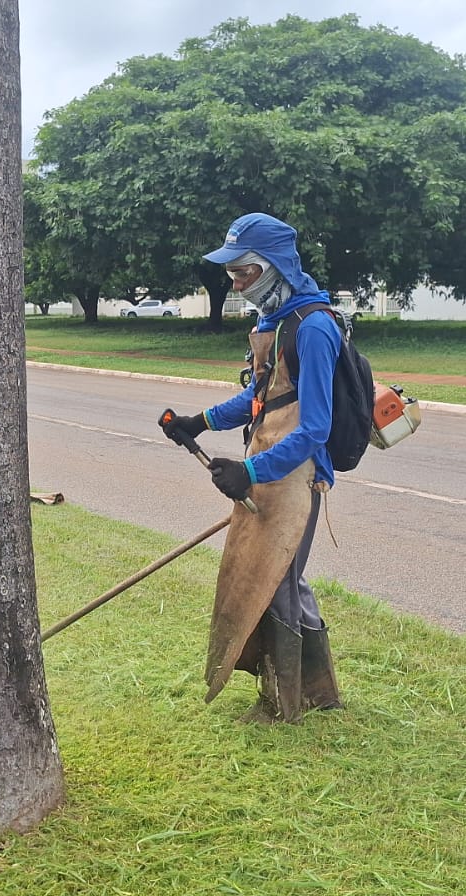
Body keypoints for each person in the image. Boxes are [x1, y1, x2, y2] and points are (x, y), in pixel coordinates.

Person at [159, 212, 344, 724]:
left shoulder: (315, 329)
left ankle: (282, 706)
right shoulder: (274, 323)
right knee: (289, 580)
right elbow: (260, 395)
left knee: (277, 583)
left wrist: (252, 472)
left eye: (246, 273)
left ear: (277, 267)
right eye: (233, 274)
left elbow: (315, 428)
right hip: (268, 467)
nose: (238, 284)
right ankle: (319, 692)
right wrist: (200, 422)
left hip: (298, 474)